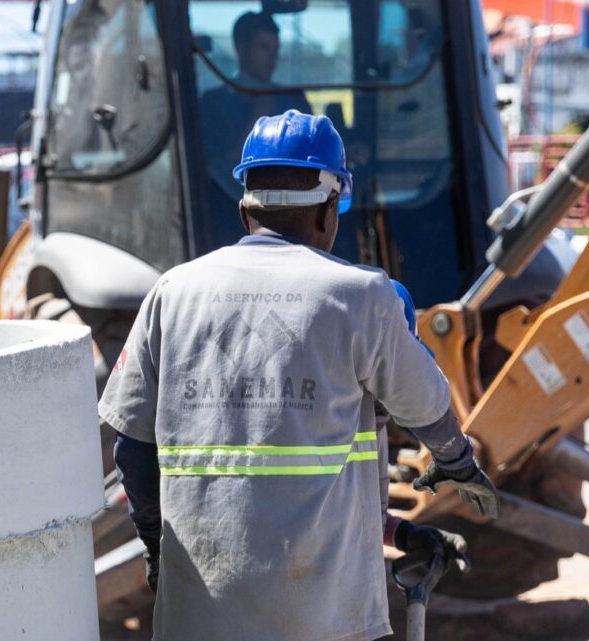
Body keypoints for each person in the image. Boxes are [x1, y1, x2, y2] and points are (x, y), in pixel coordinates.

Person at [100, 110, 498, 641]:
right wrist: (458, 464)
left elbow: (133, 450)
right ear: (329, 209)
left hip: (196, 619)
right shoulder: (361, 297)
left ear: (245, 208)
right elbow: (427, 410)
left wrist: (156, 548)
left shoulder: (172, 293)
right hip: (326, 620)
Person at [200, 12, 313, 178]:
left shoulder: (293, 98)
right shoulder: (212, 104)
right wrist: (259, 116)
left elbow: (313, 156)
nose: (273, 58)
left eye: (276, 49)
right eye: (264, 48)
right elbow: (219, 170)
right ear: (241, 49)